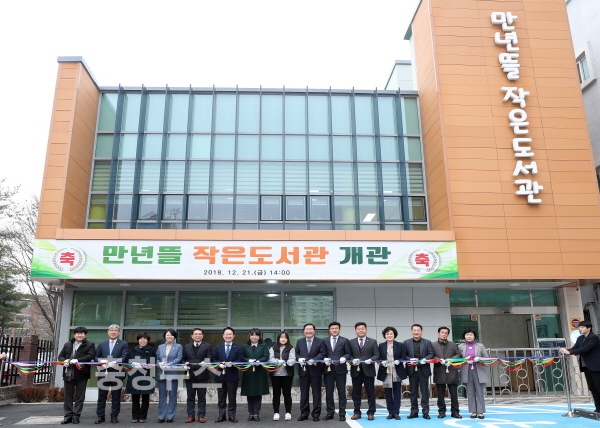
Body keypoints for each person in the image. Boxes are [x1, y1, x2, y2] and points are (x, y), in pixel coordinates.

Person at [58, 327, 96, 425]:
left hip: (82, 374)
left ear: (85, 335)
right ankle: (68, 416)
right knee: (68, 396)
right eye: (78, 333)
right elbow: (61, 356)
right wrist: (64, 361)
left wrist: (78, 360)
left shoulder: (90, 344)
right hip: (68, 373)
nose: (79, 335)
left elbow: (90, 356)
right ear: (74, 334)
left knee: (80, 396)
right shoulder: (68, 344)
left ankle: (76, 416)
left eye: (82, 333)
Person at [560, 321, 600, 413]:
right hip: (586, 366)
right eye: (580, 327)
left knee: (598, 387)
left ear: (589, 328)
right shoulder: (580, 338)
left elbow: (585, 349)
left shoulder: (594, 338)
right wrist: (565, 350)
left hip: (596, 366)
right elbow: (575, 348)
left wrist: (570, 352)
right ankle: (598, 409)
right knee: (592, 388)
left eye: (582, 327)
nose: (580, 329)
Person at [95, 324, 129, 424]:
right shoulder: (102, 344)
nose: (113, 332)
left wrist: (115, 362)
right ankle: (100, 416)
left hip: (117, 372)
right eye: (111, 330)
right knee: (101, 396)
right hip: (104, 372)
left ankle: (114, 415)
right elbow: (96, 357)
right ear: (108, 332)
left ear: (119, 332)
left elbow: (124, 356)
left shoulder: (123, 344)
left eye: (115, 330)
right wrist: (102, 361)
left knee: (116, 396)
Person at [348, 322, 380, 421]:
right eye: (358, 329)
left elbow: (377, 354)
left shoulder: (372, 341)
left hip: (368, 370)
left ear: (366, 330)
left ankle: (371, 412)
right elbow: (348, 354)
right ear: (355, 331)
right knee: (356, 393)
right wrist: (352, 359)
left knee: (370, 392)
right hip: (356, 370)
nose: (361, 330)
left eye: (362, 328)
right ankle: (357, 412)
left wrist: (371, 359)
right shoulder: (351, 342)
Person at [295, 323, 327, 421]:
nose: (308, 331)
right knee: (304, 393)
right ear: (304, 331)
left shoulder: (320, 341)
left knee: (316, 393)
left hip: (316, 370)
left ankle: (316, 414)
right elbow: (296, 353)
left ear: (314, 331)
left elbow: (323, 353)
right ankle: (304, 413)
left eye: (310, 329)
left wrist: (315, 359)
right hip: (303, 370)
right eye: (306, 329)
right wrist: (299, 358)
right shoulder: (299, 341)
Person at [212, 326, 244, 423]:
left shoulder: (238, 347)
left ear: (233, 336)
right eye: (226, 334)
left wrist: (233, 364)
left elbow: (240, 359)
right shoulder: (218, 347)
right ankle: (221, 416)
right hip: (220, 375)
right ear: (223, 335)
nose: (228, 336)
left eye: (230, 334)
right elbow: (213, 359)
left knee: (232, 397)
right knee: (221, 397)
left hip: (232, 375)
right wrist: (219, 364)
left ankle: (232, 416)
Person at [403, 324, 434, 419]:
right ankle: (414, 411)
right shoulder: (406, 342)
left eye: (418, 330)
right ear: (411, 331)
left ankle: (425, 412)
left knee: (424, 391)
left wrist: (425, 359)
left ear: (422, 331)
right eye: (414, 330)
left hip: (423, 369)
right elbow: (403, 355)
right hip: (412, 370)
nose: (416, 332)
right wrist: (410, 359)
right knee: (413, 392)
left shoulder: (427, 342)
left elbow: (431, 353)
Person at [124, 332, 157, 423]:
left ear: (148, 340)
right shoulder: (132, 350)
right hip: (134, 376)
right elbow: (126, 363)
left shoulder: (151, 350)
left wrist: (150, 365)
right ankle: (135, 416)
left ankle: (143, 417)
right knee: (135, 397)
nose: (143, 341)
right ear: (138, 340)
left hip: (147, 376)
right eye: (141, 339)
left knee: (145, 397)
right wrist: (131, 366)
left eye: (145, 339)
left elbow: (154, 362)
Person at [182, 328, 212, 423]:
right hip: (189, 375)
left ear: (202, 335)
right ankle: (190, 416)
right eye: (196, 334)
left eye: (200, 334)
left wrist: (205, 362)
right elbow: (182, 359)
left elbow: (210, 358)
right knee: (190, 397)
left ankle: (201, 416)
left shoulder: (207, 346)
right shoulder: (186, 346)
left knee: (201, 397)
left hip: (202, 375)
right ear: (192, 336)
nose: (198, 335)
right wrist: (184, 364)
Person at [376, 327, 407, 420]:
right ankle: (390, 412)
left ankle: (396, 412)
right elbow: (378, 357)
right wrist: (381, 362)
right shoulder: (381, 345)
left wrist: (399, 361)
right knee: (388, 393)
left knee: (397, 393)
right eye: (387, 334)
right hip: (386, 371)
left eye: (391, 334)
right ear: (384, 335)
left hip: (397, 370)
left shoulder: (400, 345)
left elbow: (404, 357)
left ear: (394, 335)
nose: (389, 335)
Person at [323, 321, 351, 421]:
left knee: (341, 392)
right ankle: (330, 413)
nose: (334, 330)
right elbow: (322, 353)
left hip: (341, 369)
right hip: (328, 369)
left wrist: (344, 357)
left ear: (339, 329)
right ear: (329, 330)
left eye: (336, 328)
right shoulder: (324, 340)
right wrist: (324, 359)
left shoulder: (344, 340)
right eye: (332, 328)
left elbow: (348, 353)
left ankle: (342, 413)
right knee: (329, 392)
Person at [458, 328, 489, 420]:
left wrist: (479, 359)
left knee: (479, 391)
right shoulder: (460, 346)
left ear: (474, 336)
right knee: (470, 392)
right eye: (467, 334)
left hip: (478, 370)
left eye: (471, 334)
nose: (469, 336)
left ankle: (480, 411)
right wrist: (464, 360)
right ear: (464, 336)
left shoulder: (480, 346)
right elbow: (458, 359)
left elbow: (486, 358)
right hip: (467, 371)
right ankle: (473, 411)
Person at [431, 326, 462, 419]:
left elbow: (458, 354)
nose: (444, 334)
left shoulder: (453, 344)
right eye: (442, 332)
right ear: (438, 333)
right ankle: (441, 411)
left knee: (454, 394)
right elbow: (431, 355)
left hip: (452, 371)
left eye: (446, 333)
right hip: (439, 371)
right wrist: (438, 360)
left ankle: (455, 412)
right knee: (440, 394)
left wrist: (451, 359)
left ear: (448, 334)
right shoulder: (433, 345)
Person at [241, 328, 270, 421]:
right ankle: (251, 413)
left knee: (258, 393)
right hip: (248, 372)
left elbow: (266, 356)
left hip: (259, 372)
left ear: (259, 336)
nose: (254, 337)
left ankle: (256, 413)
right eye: (252, 335)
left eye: (256, 335)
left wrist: (259, 361)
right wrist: (248, 360)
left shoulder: (263, 346)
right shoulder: (245, 346)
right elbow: (241, 357)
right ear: (249, 336)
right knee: (249, 393)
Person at [156, 328, 183, 423]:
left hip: (173, 373)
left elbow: (179, 358)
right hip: (162, 373)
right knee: (162, 396)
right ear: (165, 336)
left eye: (171, 335)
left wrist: (170, 364)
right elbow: (157, 358)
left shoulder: (178, 346)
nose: (169, 336)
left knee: (172, 396)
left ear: (174, 337)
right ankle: (161, 416)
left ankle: (170, 416)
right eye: (167, 335)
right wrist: (159, 364)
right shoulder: (160, 347)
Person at [269, 331, 295, 421]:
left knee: (287, 394)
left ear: (287, 339)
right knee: (276, 394)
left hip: (287, 374)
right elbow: (270, 359)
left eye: (285, 337)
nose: (283, 339)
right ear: (278, 338)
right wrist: (278, 361)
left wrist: (288, 362)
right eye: (281, 337)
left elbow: (292, 359)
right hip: (275, 374)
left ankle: (288, 412)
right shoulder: (273, 348)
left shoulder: (291, 348)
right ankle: (276, 413)